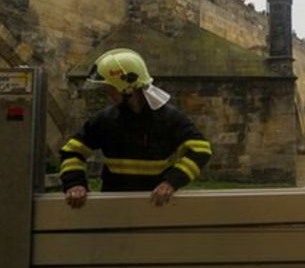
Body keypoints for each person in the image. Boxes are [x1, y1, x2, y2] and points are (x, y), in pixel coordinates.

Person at [59, 48, 212, 208]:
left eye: (110, 86)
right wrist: (75, 183)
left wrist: (171, 183)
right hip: (113, 208)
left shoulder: (169, 119)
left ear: (127, 87)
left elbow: (201, 150)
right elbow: (71, 151)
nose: (107, 91)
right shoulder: (105, 120)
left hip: (156, 207)